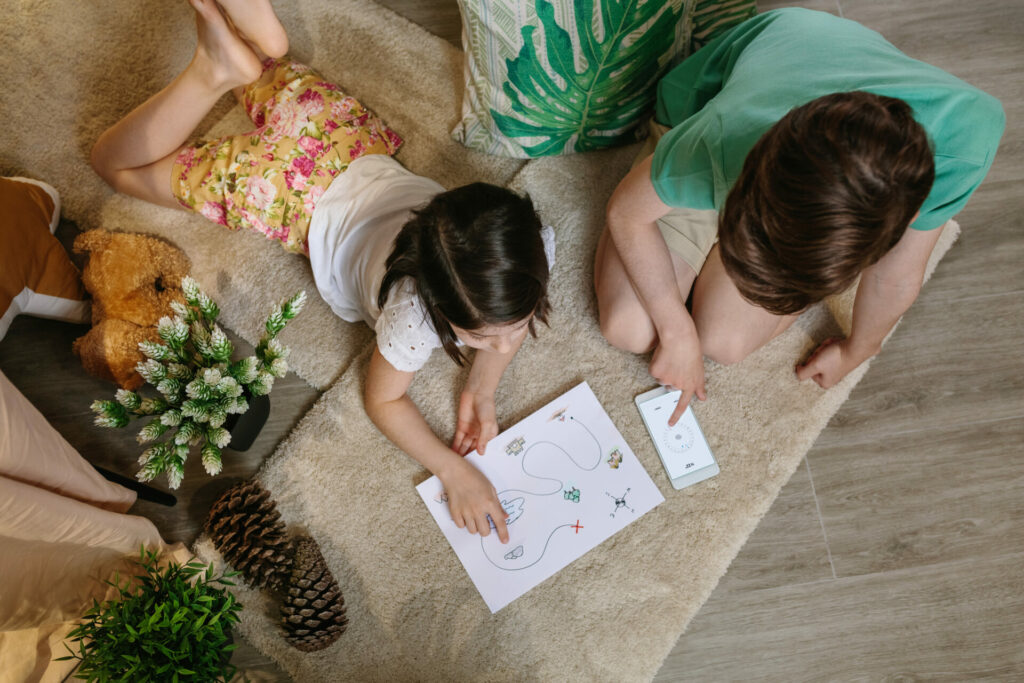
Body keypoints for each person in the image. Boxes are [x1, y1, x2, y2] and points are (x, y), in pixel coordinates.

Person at [90, 0, 557, 544]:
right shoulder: (410, 315)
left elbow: (499, 328)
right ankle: (207, 72)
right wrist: (454, 472)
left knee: (262, 56)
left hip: (333, 131)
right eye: (481, 337)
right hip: (280, 191)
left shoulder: (526, 239)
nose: (502, 347)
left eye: (514, 325)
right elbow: (383, 400)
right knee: (113, 166)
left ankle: (243, 53)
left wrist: (483, 389)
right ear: (433, 304)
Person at [595, 8, 1004, 425]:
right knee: (629, 327)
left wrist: (858, 349)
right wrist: (675, 327)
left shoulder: (966, 141)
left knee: (724, 343)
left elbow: (895, 276)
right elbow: (627, 213)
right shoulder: (724, 133)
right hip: (732, 122)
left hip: (786, 139)